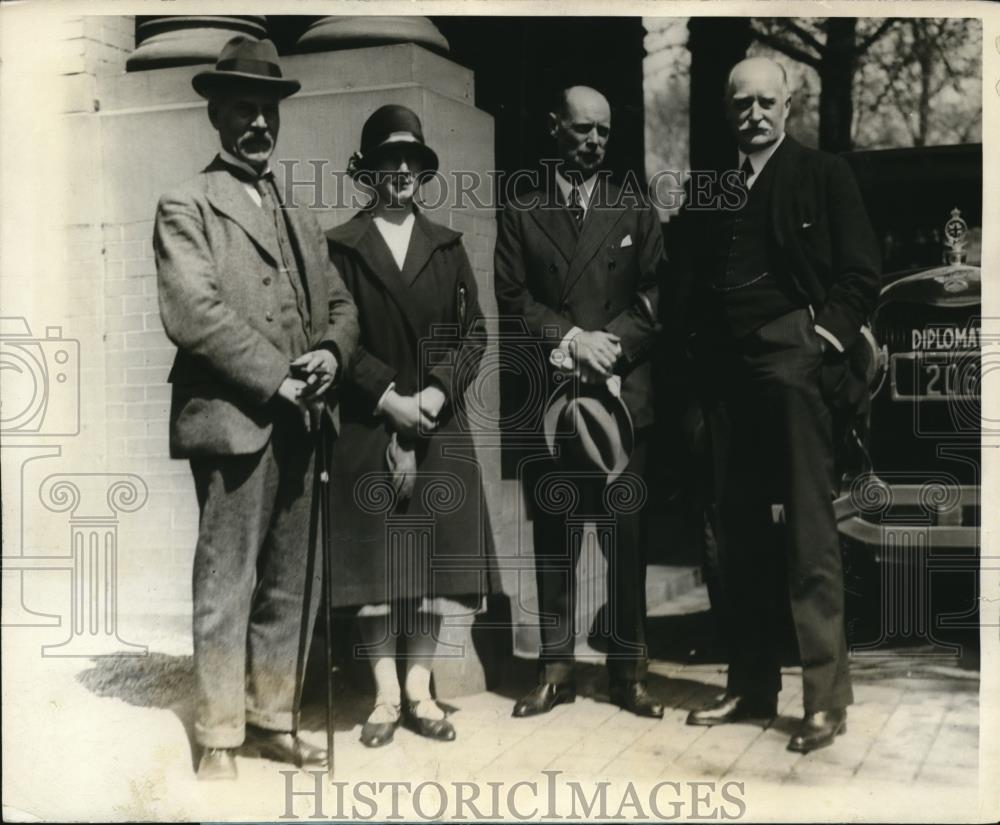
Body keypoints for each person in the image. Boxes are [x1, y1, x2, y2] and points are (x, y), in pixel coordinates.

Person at [153, 37, 359, 780]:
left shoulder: (297, 212)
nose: (260, 124)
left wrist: (331, 354)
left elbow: (340, 302)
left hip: (304, 420)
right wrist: (280, 376)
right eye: (245, 108)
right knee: (226, 580)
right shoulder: (186, 205)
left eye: (269, 110)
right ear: (215, 112)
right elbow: (196, 314)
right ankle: (218, 734)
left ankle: (274, 718)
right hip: (237, 420)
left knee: (289, 581)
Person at [679, 57, 881, 752]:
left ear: (789, 104)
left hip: (795, 370)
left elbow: (861, 275)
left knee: (807, 532)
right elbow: (685, 280)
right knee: (731, 537)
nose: (755, 113)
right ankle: (750, 682)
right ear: (729, 110)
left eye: (768, 101)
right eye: (743, 103)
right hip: (726, 379)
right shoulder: (711, 190)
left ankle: (825, 698)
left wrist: (818, 342)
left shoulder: (825, 175)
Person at [325, 104, 499, 748]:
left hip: (438, 419)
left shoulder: (447, 248)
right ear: (367, 170)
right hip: (369, 423)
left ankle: (422, 691)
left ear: (422, 171)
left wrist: (433, 392)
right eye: (386, 160)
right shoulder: (339, 247)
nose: (399, 171)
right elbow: (333, 331)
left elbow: (472, 334)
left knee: (429, 571)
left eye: (411, 161)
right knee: (374, 572)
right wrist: (388, 397)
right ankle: (384, 696)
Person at [494, 85, 664, 719]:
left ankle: (630, 674)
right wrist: (570, 339)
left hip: (623, 399)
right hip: (556, 401)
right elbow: (512, 298)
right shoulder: (523, 208)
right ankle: (555, 669)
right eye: (582, 129)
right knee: (556, 538)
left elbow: (657, 295)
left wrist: (609, 346)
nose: (593, 142)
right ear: (553, 127)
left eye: (604, 132)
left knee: (627, 539)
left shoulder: (634, 207)